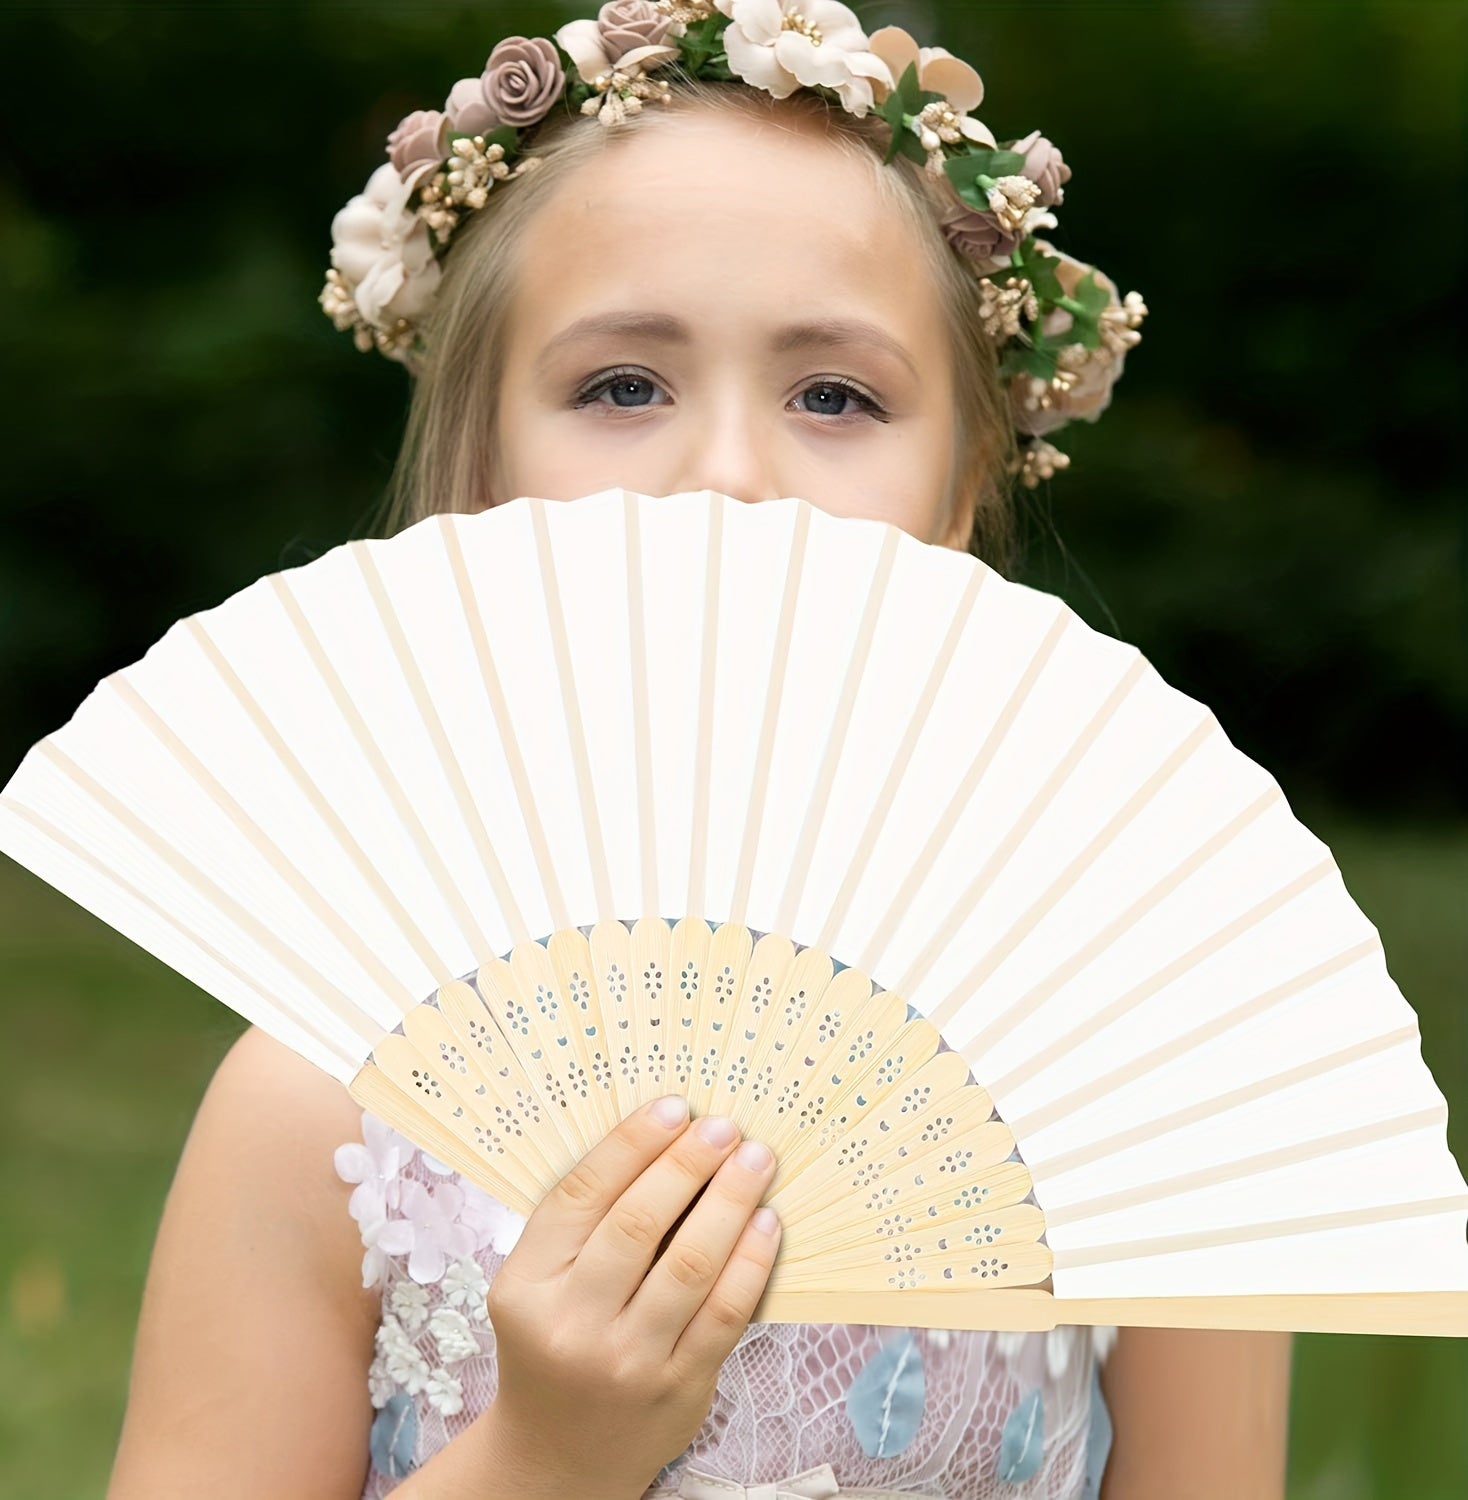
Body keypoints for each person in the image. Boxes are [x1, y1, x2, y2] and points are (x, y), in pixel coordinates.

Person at [104, 5, 1293, 1497]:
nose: (728, 474)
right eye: (621, 387)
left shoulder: (1152, 1071)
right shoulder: (324, 1111)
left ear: (957, 491)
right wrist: (545, 1456)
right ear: (479, 475)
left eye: (835, 396)